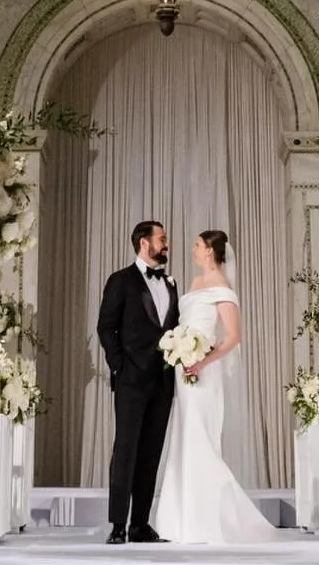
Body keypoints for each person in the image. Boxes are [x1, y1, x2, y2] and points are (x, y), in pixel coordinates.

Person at [152, 229, 277, 546]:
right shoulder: (194, 285)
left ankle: (210, 522)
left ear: (210, 251)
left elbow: (233, 336)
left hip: (205, 373)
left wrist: (202, 361)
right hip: (185, 370)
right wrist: (179, 351)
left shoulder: (223, 288)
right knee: (183, 439)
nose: (192, 249)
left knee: (202, 440)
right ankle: (179, 523)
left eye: (196, 245)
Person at [97, 219, 179, 545]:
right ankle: (118, 525)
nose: (166, 244)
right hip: (131, 381)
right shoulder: (121, 280)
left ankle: (140, 525)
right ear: (144, 242)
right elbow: (106, 327)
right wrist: (119, 366)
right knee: (126, 451)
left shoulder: (171, 284)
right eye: (162, 238)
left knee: (151, 452)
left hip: (163, 381)